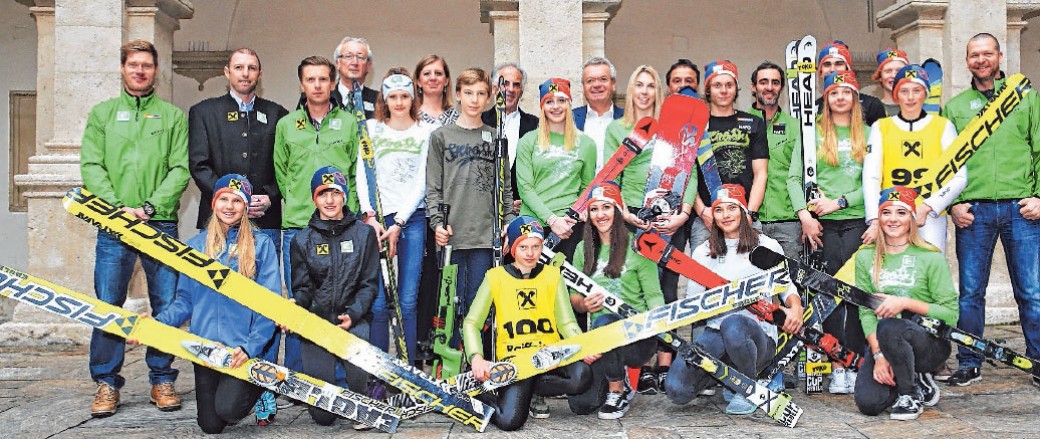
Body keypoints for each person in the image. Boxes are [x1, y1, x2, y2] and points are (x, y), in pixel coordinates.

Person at [79, 39, 188, 417]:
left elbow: (180, 169)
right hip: (113, 224)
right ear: (123, 69)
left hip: (159, 224)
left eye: (147, 65)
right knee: (108, 303)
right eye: (133, 64)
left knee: (167, 304)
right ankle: (107, 384)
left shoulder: (172, 116)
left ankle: (162, 377)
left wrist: (147, 207)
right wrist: (117, 208)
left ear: (156, 70)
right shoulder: (102, 114)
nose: (140, 70)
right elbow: (92, 166)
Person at [941, 32, 1040, 387]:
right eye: (974, 55)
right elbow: (945, 162)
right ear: (967, 61)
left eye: (987, 53)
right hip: (975, 212)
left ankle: (1038, 361)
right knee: (970, 293)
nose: (981, 60)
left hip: (1021, 208)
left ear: (999, 56)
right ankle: (969, 362)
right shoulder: (954, 107)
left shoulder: (1025, 99)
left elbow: (1039, 148)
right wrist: (952, 205)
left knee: (1031, 292)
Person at [149, 174, 281, 433]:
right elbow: (184, 301)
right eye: (224, 199)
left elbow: (269, 305)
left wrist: (250, 347)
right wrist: (155, 325)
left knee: (228, 410)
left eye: (237, 200)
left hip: (242, 351)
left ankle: (262, 383)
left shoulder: (260, 244)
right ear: (213, 202)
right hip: (206, 350)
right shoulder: (195, 247)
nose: (229, 206)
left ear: (246, 207)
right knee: (210, 425)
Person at [664, 184, 802, 415]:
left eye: (732, 208)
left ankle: (748, 387)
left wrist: (796, 309)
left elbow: (787, 289)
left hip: (758, 338)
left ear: (743, 211)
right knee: (677, 390)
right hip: (716, 333)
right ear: (713, 215)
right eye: (719, 210)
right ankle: (727, 379)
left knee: (734, 325)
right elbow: (694, 306)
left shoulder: (766, 245)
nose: (726, 215)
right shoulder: (702, 252)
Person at [274, 55, 359, 381]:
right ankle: (297, 376)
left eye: (323, 79)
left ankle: (338, 374)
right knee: (299, 302)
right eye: (311, 79)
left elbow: (354, 173)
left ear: (333, 83)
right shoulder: (286, 126)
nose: (318, 85)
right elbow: (282, 174)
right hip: (297, 226)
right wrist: (299, 201)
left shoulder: (349, 123)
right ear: (302, 84)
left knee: (339, 300)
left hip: (340, 228)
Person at [464, 216, 593, 430]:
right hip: (516, 363)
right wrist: (476, 358)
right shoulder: (495, 277)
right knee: (509, 421)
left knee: (582, 376)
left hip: (549, 356)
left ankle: (532, 392)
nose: (530, 253)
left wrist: (581, 345)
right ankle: (479, 394)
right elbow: (471, 322)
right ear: (513, 248)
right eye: (523, 247)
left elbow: (567, 322)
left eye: (536, 246)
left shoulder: (553, 275)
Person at [788, 70, 869, 394]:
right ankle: (837, 364)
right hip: (822, 227)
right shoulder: (812, 136)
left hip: (856, 222)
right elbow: (794, 179)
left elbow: (873, 182)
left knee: (856, 296)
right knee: (829, 297)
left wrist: (840, 201)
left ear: (854, 98)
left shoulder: (867, 134)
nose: (839, 98)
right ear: (826, 97)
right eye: (834, 92)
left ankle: (857, 363)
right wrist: (805, 216)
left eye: (846, 92)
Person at [426, 68, 515, 347]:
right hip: (453, 234)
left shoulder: (496, 137)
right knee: (450, 305)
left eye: (480, 94)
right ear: (457, 95)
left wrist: (508, 223)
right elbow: (433, 186)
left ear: (489, 98)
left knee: (478, 305)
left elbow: (506, 188)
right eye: (468, 93)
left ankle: (477, 364)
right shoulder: (441, 136)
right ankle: (451, 361)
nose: (474, 100)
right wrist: (437, 224)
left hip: (485, 236)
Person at [852, 186, 958, 420]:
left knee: (890, 325)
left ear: (912, 218)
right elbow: (866, 311)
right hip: (884, 339)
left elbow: (950, 314)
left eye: (901, 212)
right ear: (878, 218)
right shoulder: (865, 257)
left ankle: (909, 393)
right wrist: (879, 356)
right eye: (886, 212)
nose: (892, 219)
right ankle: (908, 375)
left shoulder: (930, 257)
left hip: (928, 343)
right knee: (869, 403)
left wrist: (905, 303)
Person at [290, 167, 379, 427]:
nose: (329, 200)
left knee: (359, 405)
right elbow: (303, 288)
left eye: (335, 193)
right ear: (314, 199)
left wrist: (352, 315)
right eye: (322, 194)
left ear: (344, 196)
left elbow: (369, 284)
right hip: (318, 324)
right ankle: (333, 387)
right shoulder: (301, 240)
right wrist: (298, 305)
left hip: (353, 321)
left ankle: (366, 387)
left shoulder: (364, 235)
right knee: (323, 416)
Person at [567, 182, 663, 420]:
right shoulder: (582, 249)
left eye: (607, 208)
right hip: (602, 341)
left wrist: (657, 324)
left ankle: (617, 391)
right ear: (588, 214)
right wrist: (583, 305)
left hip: (637, 337)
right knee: (581, 404)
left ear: (618, 210)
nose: (600, 215)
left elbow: (653, 294)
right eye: (594, 209)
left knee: (609, 322)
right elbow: (573, 296)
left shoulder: (638, 247)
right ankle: (619, 381)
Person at [357, 69, 433, 362]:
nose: (399, 102)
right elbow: (362, 174)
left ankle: (407, 371)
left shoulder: (424, 132)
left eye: (404, 96)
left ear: (412, 98)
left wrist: (400, 220)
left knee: (407, 301)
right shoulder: (371, 130)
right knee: (377, 304)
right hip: (376, 221)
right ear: (384, 99)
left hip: (411, 221)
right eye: (393, 97)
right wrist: (370, 216)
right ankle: (379, 375)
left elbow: (423, 180)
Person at [188, 48, 288, 248]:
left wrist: (271, 196)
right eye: (239, 67)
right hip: (218, 219)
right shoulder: (204, 112)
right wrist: (231, 199)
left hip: (264, 220)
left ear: (259, 75)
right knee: (215, 279)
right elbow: (199, 164)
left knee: (263, 279)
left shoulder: (278, 114)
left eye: (251, 68)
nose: (245, 73)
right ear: (227, 72)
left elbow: (287, 166)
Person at [863, 64, 964, 252]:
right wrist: (875, 219)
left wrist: (928, 207)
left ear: (925, 93)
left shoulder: (943, 126)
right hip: (891, 214)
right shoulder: (881, 127)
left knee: (931, 271)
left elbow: (959, 176)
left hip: (929, 215)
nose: (910, 97)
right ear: (896, 94)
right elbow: (871, 176)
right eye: (904, 91)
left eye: (916, 90)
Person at [691, 60, 769, 250]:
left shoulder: (753, 122)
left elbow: (761, 174)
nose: (724, 90)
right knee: (703, 276)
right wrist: (703, 212)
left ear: (736, 88)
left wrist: (750, 213)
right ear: (708, 90)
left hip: (745, 216)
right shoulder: (695, 126)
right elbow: (687, 177)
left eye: (729, 85)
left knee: (752, 274)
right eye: (717, 85)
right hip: (707, 218)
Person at [515, 78, 596, 258]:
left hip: (570, 225)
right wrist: (551, 220)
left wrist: (580, 211)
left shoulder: (586, 144)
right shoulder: (527, 141)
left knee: (566, 285)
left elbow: (587, 187)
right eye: (549, 101)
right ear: (542, 106)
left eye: (561, 100)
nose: (555, 106)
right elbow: (525, 188)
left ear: (569, 103)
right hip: (533, 225)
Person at [746, 61, 804, 259]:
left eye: (775, 82)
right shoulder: (741, 123)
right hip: (749, 222)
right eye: (763, 82)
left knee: (790, 285)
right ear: (753, 87)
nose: (769, 87)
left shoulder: (796, 127)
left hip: (788, 222)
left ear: (781, 87)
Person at [481, 62, 540, 203]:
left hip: (522, 209)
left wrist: (525, 202)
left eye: (516, 85)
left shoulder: (535, 125)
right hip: (485, 210)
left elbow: (539, 171)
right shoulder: (480, 121)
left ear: (522, 91)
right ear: (494, 88)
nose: (511, 89)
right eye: (505, 83)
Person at [816, 40, 887, 126]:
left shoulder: (872, 105)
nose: (833, 69)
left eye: (838, 64)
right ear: (820, 71)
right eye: (827, 64)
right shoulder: (814, 108)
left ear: (848, 68)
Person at [573, 56, 625, 171]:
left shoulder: (628, 120)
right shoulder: (569, 119)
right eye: (590, 80)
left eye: (603, 79)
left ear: (613, 84)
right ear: (583, 87)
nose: (596, 85)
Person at [332, 36, 378, 118]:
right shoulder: (323, 98)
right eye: (348, 56)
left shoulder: (379, 100)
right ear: (337, 63)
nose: (354, 62)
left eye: (360, 57)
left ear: (368, 65)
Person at [414, 54, 459, 126]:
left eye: (438, 73)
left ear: (446, 81)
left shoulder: (458, 119)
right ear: (418, 82)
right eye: (427, 74)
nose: (433, 78)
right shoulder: (411, 117)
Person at [873, 48, 909, 116]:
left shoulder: (919, 108)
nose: (894, 75)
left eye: (899, 71)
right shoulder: (872, 110)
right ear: (880, 77)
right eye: (888, 71)